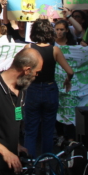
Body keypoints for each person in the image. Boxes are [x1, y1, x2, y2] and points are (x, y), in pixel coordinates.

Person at [23, 19, 74, 157]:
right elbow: (70, 71)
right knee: (48, 130)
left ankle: (30, 165)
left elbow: (19, 68)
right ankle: (46, 164)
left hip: (33, 89)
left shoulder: (28, 48)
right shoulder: (55, 50)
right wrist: (67, 81)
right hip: (50, 89)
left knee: (31, 129)